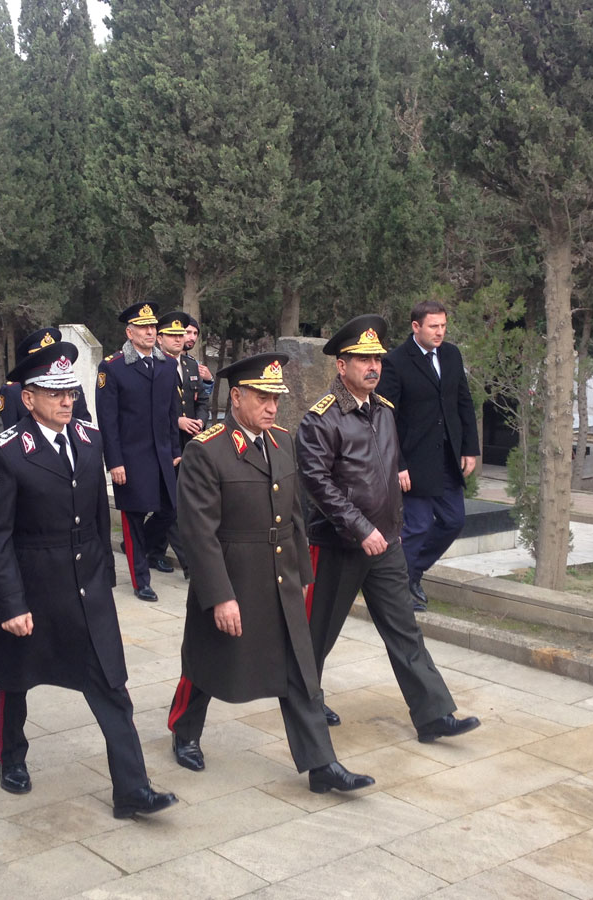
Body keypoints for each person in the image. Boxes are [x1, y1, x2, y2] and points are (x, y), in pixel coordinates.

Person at [0, 340, 177, 818]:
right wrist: (10, 604)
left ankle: (132, 789)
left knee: (112, 684)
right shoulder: (4, 453)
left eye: (70, 391)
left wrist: (106, 579)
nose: (66, 400)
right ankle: (12, 758)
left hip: (87, 587)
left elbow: (93, 515)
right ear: (28, 398)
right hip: (35, 585)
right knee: (17, 679)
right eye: (53, 392)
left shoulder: (89, 440)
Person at [167, 354, 375, 794]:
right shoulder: (206, 450)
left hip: (279, 576)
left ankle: (322, 764)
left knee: (299, 670)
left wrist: (301, 571)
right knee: (210, 660)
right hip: (234, 574)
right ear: (236, 397)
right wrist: (220, 595)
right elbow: (198, 533)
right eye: (262, 397)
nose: (271, 407)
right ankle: (185, 731)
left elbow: (294, 514)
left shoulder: (282, 442)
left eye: (275, 399)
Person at [296, 315, 480, 742]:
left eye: (376, 358)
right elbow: (318, 484)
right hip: (340, 543)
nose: (373, 367)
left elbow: (388, 469)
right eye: (363, 360)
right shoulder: (320, 420)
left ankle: (434, 714)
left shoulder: (384, 411)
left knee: (404, 629)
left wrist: (391, 525)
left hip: (386, 543)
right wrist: (361, 529)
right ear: (341, 366)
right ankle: (306, 701)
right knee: (316, 634)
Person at [377, 300, 480, 610]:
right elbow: (386, 419)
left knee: (454, 521)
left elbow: (463, 401)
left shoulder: (451, 355)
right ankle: (399, 590)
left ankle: (412, 573)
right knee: (418, 525)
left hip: (448, 458)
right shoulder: (395, 362)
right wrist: (398, 465)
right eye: (433, 326)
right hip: (414, 462)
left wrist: (470, 449)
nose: (440, 332)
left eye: (443, 326)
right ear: (416, 327)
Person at [95, 302, 181, 602]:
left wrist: (175, 449)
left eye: (153, 327)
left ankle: (143, 549)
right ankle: (140, 579)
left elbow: (172, 411)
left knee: (170, 510)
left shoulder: (168, 365)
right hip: (131, 457)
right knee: (132, 518)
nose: (150, 331)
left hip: (162, 455)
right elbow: (108, 420)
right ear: (129, 332)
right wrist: (114, 462)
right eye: (143, 327)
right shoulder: (113, 367)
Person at [157, 310, 209, 578]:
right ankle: (190, 564)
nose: (181, 339)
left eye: (185, 334)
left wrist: (199, 421)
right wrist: (177, 421)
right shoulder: (154, 365)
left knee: (180, 503)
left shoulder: (190, 366)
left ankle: (149, 545)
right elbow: (148, 407)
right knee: (174, 505)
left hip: (191, 442)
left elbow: (201, 400)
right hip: (165, 442)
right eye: (175, 334)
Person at [0, 327, 92, 428]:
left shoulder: (74, 388)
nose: (67, 402)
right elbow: (7, 428)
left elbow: (83, 426)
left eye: (71, 394)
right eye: (54, 395)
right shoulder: (13, 391)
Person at [183, 318, 214, 400]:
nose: (192, 338)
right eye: (188, 332)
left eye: (195, 333)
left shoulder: (194, 364)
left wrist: (208, 380)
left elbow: (202, 398)